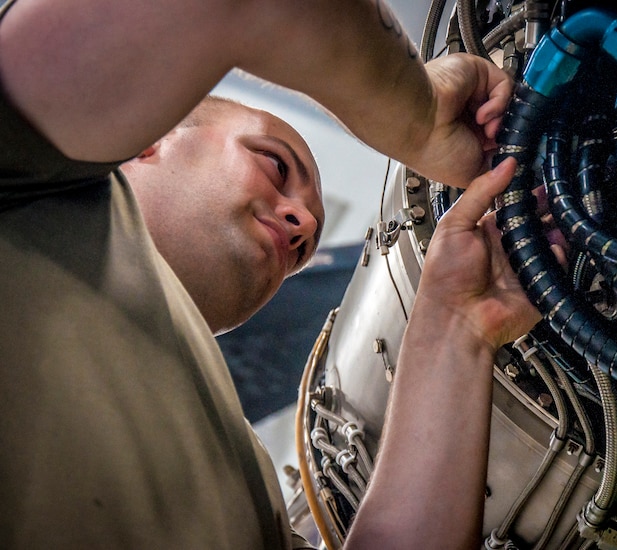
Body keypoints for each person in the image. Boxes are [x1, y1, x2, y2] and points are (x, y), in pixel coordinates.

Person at [0, 1, 540, 549]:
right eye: (276, 166)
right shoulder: (25, 177)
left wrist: (457, 323)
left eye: (303, 253)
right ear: (152, 137)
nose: (303, 223)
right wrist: (418, 120)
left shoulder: (245, 484)